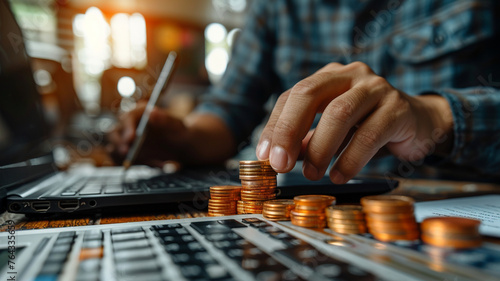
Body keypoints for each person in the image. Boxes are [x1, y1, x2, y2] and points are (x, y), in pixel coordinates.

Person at [109, 0, 500, 183]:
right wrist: (184, 137)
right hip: (306, 217)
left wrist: (437, 117)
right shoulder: (274, 8)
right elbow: (229, 110)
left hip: (450, 210)